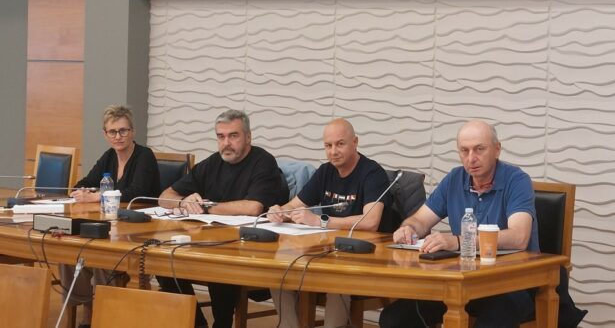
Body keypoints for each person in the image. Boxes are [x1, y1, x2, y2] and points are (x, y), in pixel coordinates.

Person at [379, 119, 539, 328]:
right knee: (394, 319)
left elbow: (519, 237)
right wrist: (407, 228)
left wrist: (458, 241)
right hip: (462, 283)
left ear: (497, 149)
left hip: (510, 284)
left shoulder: (517, 180)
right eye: (464, 151)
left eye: (479, 149)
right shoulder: (455, 178)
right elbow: (421, 219)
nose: (471, 158)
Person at [157, 109, 287, 328]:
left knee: (219, 264)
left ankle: (222, 324)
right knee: (165, 263)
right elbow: (164, 197)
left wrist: (206, 208)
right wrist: (183, 202)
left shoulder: (263, 162)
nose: (226, 143)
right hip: (210, 241)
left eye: (233, 136)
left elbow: (253, 207)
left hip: (252, 251)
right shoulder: (212, 163)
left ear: (248, 137)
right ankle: (197, 324)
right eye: (221, 137)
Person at [267, 118, 393, 328]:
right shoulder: (325, 171)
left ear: (355, 142)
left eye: (340, 144)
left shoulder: (372, 173)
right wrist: (279, 211)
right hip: (327, 250)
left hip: (364, 254)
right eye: (328, 145)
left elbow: (371, 221)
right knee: (279, 270)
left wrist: (321, 221)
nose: (333, 151)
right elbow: (295, 205)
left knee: (336, 280)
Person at [61, 104, 161, 328]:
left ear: (132, 131)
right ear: (105, 134)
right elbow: (85, 182)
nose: (118, 136)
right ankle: (86, 306)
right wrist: (81, 191)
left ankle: (103, 314)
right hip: (110, 224)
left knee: (101, 255)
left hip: (139, 229)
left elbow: (136, 192)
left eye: (123, 130)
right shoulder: (109, 156)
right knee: (70, 252)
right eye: (113, 132)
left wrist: (97, 197)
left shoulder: (145, 156)